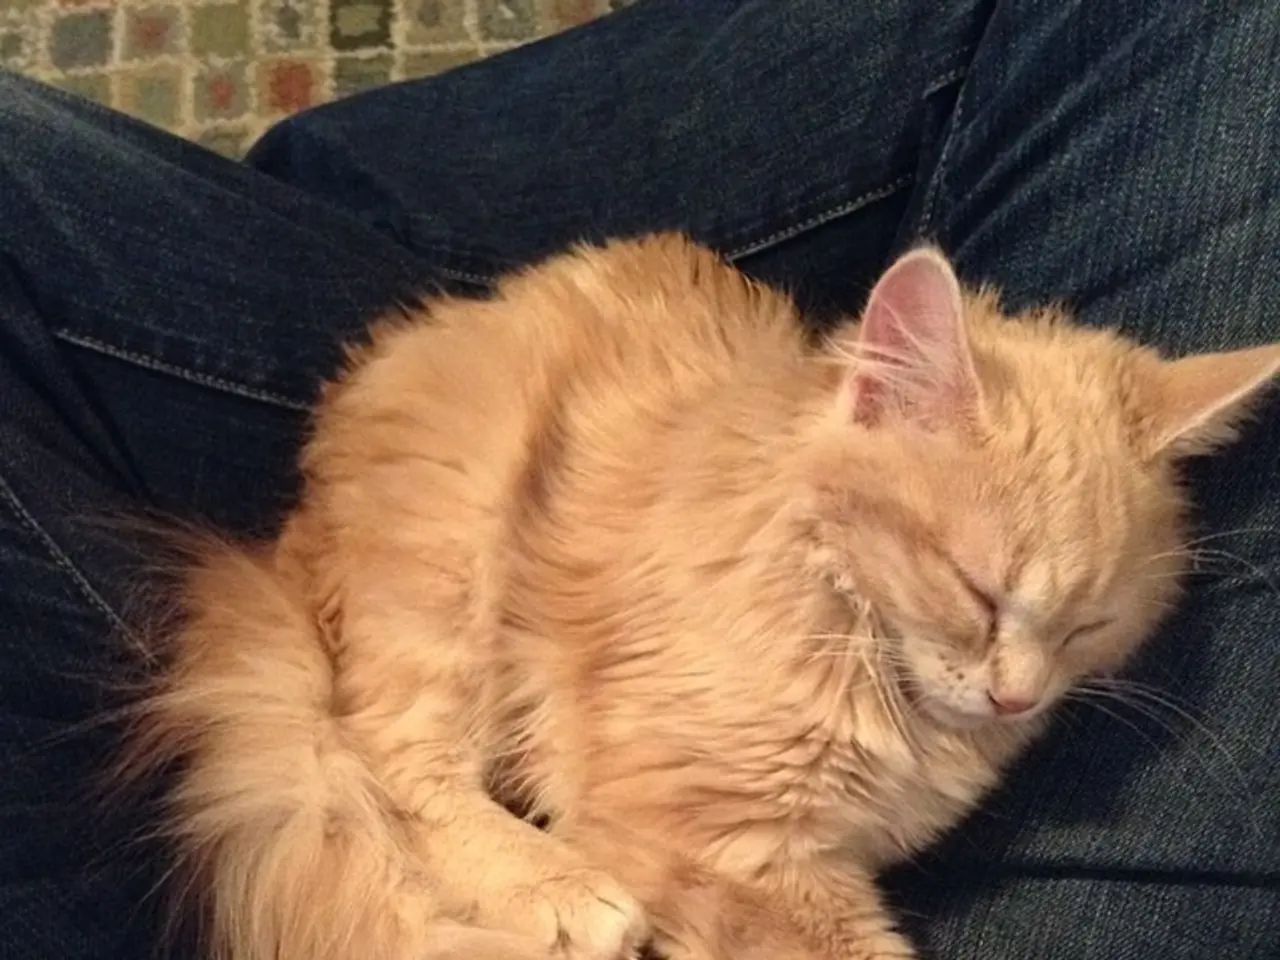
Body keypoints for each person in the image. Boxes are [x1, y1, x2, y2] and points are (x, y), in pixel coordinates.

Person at [1, 1, 1276, 957]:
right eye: (986, 604)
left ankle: (318, 195)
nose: (1015, 685)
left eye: (1078, 628)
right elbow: (674, 831)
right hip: (534, 396)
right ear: (876, 404)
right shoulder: (795, 600)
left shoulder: (1004, 641)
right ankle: (417, 785)